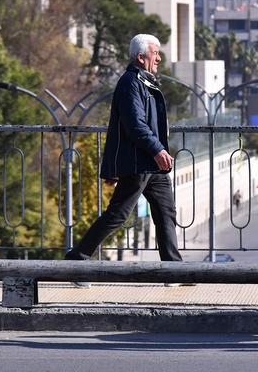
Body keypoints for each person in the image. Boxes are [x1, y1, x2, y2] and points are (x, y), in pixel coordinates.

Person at [65, 35, 185, 284]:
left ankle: (174, 270)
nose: (159, 58)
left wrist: (157, 152)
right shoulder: (130, 82)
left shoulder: (145, 82)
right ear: (141, 57)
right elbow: (134, 125)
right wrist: (157, 150)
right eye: (155, 53)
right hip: (139, 162)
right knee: (118, 215)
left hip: (152, 164)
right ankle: (77, 261)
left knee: (166, 214)